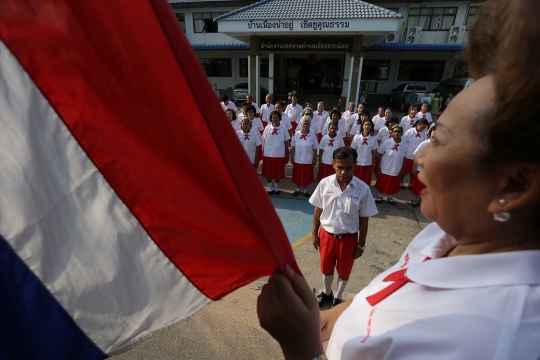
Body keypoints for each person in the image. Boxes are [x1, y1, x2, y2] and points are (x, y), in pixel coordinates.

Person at [258, 3, 540, 358]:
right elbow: (387, 292)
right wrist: (331, 318)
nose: (419, 156)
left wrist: (300, 344)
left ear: (513, 185)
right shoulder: (445, 233)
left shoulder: (491, 340)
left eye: (439, 140)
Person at [309, 147, 378, 308]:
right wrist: (314, 234)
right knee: (326, 268)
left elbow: (364, 219)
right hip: (327, 236)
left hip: (348, 239)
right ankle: (327, 293)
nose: (343, 172)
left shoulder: (362, 189)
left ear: (355, 165)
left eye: (348, 167)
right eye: (340, 167)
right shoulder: (325, 184)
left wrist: (361, 244)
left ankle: (338, 297)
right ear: (333, 165)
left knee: (344, 271)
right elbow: (318, 210)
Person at [375, 125, 407, 205]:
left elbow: (405, 157)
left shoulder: (404, 143)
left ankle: (390, 196)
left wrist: (402, 167)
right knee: (383, 181)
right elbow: (380, 153)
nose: (396, 133)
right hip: (385, 166)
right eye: (395, 131)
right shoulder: (387, 142)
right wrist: (378, 165)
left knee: (392, 182)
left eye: (398, 132)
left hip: (396, 166)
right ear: (392, 133)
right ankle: (380, 195)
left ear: (401, 133)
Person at [262, 111, 290, 195]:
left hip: (279, 154)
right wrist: (263, 151)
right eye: (273, 117)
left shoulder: (283, 128)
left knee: (278, 172)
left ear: (279, 118)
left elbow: (286, 141)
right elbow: (263, 140)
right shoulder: (267, 128)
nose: (275, 119)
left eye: (276, 117)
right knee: (268, 172)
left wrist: (286, 153)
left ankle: (276, 187)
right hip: (268, 153)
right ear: (271, 118)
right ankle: (270, 187)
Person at [291, 116, 318, 197]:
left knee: (306, 175)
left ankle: (305, 190)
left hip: (308, 159)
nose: (305, 125)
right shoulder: (297, 134)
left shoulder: (312, 134)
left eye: (307, 124)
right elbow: (293, 146)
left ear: (309, 125)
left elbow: (315, 148)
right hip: (298, 158)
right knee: (298, 174)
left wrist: (314, 158)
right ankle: (298, 189)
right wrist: (291, 156)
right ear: (301, 124)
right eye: (304, 124)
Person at [410, 126, 436, 207]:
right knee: (417, 186)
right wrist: (414, 167)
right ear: (429, 135)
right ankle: (415, 199)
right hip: (420, 170)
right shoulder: (424, 143)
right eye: (433, 135)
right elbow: (416, 155)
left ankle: (422, 200)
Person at [400, 118, 429, 189]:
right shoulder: (409, 132)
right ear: (417, 125)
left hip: (417, 156)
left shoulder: (424, 134)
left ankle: (411, 183)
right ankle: (401, 181)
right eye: (422, 127)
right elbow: (404, 142)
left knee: (414, 171)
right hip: (408, 154)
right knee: (404, 170)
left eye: (424, 127)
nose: (423, 128)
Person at [350, 119, 378, 186]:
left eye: (369, 125)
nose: (367, 127)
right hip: (357, 163)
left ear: (371, 127)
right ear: (362, 126)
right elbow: (352, 151)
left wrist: (373, 165)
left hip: (367, 163)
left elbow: (374, 153)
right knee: (355, 181)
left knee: (365, 183)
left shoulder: (373, 138)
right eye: (365, 125)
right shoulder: (357, 137)